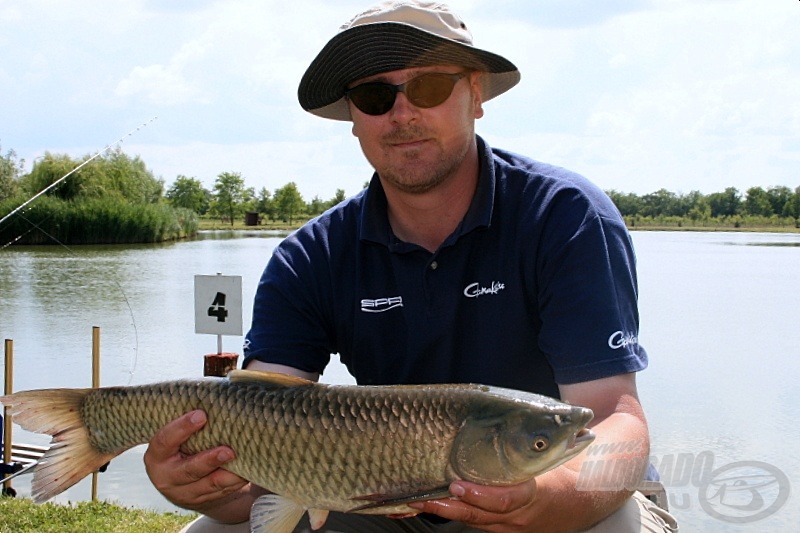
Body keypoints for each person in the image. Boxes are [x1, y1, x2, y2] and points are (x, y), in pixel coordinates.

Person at [145, 1, 679, 531]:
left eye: (428, 88)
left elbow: (614, 417)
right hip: (386, 497)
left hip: (557, 479)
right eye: (375, 95)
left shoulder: (564, 215)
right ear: (354, 118)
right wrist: (206, 487)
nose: (403, 115)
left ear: (475, 94)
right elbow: (259, 461)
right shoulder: (310, 256)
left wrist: (539, 503)